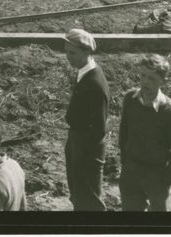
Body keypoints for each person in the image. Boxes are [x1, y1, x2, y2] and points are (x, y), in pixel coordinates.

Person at [118, 54, 171, 212]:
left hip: (157, 175)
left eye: (152, 78)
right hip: (131, 172)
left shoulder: (170, 111)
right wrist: (126, 163)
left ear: (162, 81)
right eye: (143, 75)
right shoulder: (130, 99)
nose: (145, 82)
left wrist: (165, 182)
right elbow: (124, 133)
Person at [63, 29, 109, 212]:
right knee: (77, 193)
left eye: (72, 53)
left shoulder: (95, 83)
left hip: (88, 148)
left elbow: (98, 128)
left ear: (86, 52)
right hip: (77, 140)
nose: (68, 57)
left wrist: (82, 153)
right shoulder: (83, 72)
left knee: (90, 199)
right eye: (66, 52)